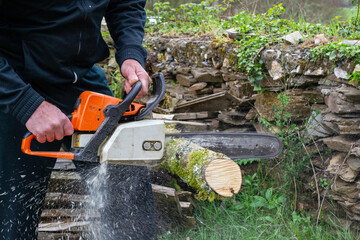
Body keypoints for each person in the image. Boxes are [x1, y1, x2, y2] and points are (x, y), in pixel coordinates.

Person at [0, 0, 156, 239]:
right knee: (13, 211)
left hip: (82, 78)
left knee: (126, 184)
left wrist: (131, 53)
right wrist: (24, 103)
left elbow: (126, 4)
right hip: (14, 82)